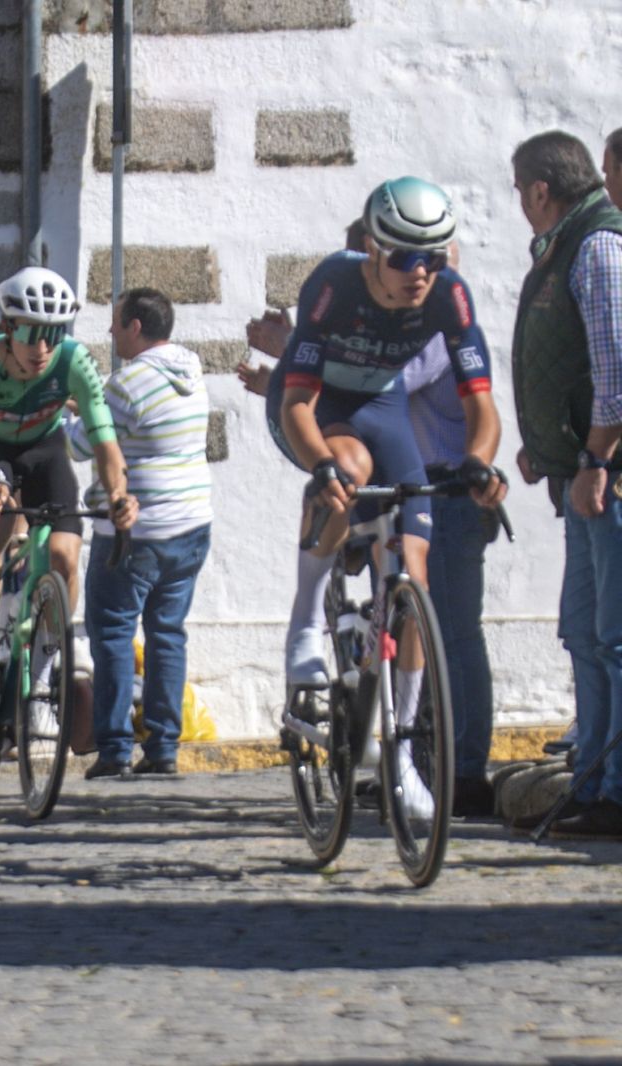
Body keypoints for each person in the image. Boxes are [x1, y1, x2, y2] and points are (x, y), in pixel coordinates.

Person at [243, 223, 503, 817]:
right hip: (319, 404)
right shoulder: (335, 282)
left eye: (433, 259)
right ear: (376, 255)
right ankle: (307, 618)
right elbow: (296, 404)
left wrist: (479, 465)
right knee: (348, 471)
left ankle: (403, 754)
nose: (422, 271)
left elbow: (481, 406)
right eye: (408, 257)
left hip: (382, 408)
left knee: (414, 576)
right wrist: (322, 466)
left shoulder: (447, 294)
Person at [0, 266, 137, 704]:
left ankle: (44, 678)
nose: (42, 347)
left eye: (54, 333)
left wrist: (119, 494)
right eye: (31, 334)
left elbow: (104, 440)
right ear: (7, 328)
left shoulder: (75, 360)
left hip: (44, 449)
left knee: (64, 557)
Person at [508, 131, 622, 838]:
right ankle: (594, 782)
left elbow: (615, 370)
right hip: (579, 473)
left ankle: (615, 789)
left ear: (540, 191)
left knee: (614, 636)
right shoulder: (568, 246)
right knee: (585, 632)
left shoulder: (598, 246)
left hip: (603, 479)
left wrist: (594, 461)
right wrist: (549, 450)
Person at [80, 289, 211, 778]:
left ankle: (114, 750)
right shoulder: (191, 372)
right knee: (167, 633)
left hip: (133, 531)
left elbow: (82, 442)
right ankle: (163, 746)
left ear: (136, 327)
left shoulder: (126, 383)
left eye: (116, 323)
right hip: (193, 522)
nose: (111, 333)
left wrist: (73, 412)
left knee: (112, 632)